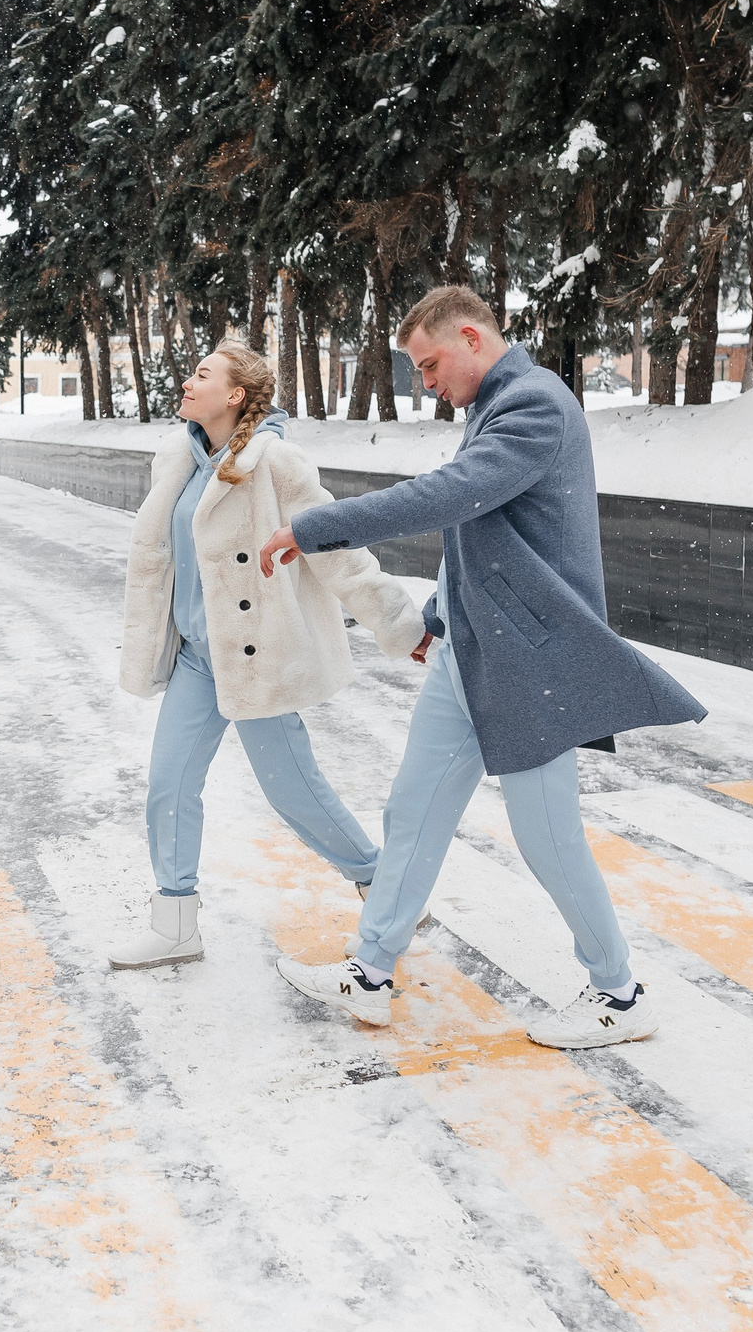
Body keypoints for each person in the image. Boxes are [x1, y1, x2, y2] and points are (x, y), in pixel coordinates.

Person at [259, 286, 707, 1045]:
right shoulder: (491, 406)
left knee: (548, 835)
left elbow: (450, 496)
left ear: (471, 337)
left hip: (528, 660)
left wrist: (316, 526)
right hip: (473, 653)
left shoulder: (535, 405)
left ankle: (620, 994)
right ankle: (370, 970)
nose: (426, 383)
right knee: (415, 809)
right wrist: (438, 613)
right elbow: (483, 529)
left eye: (430, 364)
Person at [109, 344, 428, 971]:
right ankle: (175, 923)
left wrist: (399, 624)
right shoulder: (178, 458)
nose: (186, 381)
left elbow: (338, 549)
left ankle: (388, 891)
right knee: (170, 784)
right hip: (199, 657)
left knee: (294, 794)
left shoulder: (276, 463)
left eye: (202, 375)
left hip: (257, 656)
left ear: (234, 396)